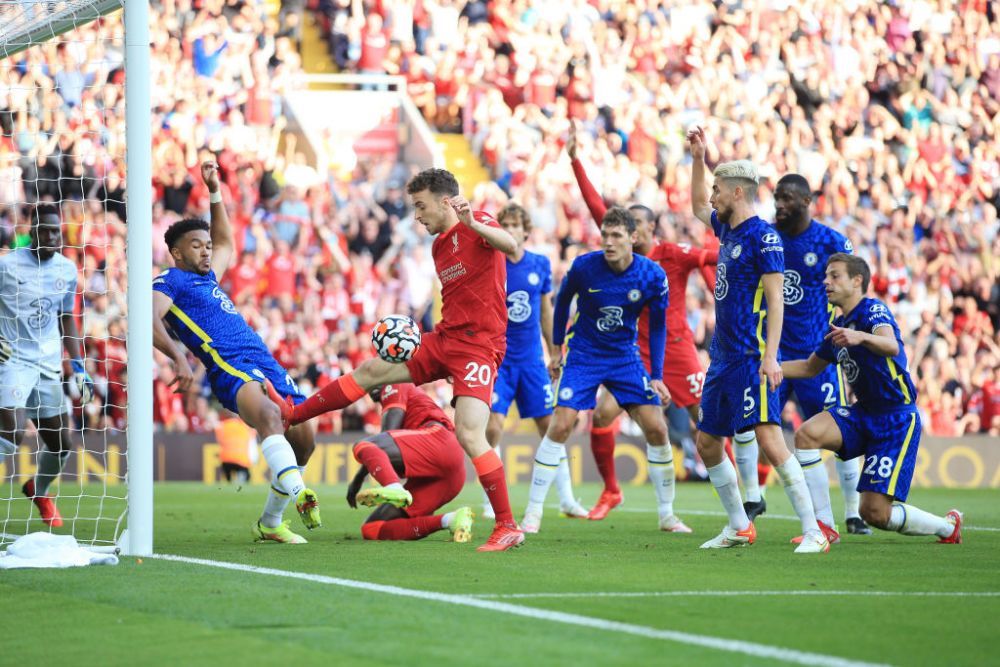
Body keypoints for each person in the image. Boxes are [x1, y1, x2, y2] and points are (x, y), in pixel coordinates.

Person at [271, 168, 524, 552]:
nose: (417, 216)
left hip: (478, 347)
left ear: (445, 202)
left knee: (471, 433)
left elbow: (511, 246)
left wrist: (474, 223)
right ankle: (294, 414)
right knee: (372, 370)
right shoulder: (439, 247)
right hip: (445, 339)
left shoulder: (479, 222)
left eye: (421, 206)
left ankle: (507, 525)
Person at [153, 161, 320, 545]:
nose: (206, 251)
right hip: (228, 365)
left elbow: (226, 241)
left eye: (206, 245)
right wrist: (178, 358)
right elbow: (148, 317)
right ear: (176, 252)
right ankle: (301, 495)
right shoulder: (171, 280)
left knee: (305, 438)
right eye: (196, 245)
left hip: (264, 359)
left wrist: (215, 190)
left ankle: (270, 522)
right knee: (269, 416)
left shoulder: (209, 276)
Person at [687, 127, 827, 553]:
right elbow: (696, 205)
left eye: (717, 189)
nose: (712, 196)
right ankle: (739, 526)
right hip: (723, 357)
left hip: (751, 356)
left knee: (769, 438)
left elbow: (776, 302)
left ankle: (815, 531)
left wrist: (771, 357)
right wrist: (698, 159)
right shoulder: (728, 230)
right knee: (707, 443)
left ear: (737, 192)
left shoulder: (764, 238)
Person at [567, 127, 717, 521]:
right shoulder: (617, 253)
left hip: (678, 350)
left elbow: (714, 259)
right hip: (634, 353)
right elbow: (594, 203)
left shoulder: (674, 253)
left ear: (648, 229)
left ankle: (741, 494)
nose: (627, 232)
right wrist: (576, 160)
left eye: (635, 225)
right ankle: (611, 491)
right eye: (623, 226)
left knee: (707, 421)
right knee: (602, 415)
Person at [521, 206, 690, 535]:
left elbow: (658, 326)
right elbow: (561, 304)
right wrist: (556, 349)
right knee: (561, 424)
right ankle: (532, 513)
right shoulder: (584, 267)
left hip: (625, 356)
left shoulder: (652, 275)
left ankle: (667, 515)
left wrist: (656, 375)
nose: (608, 242)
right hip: (584, 355)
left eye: (616, 235)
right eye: (605, 235)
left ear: (634, 237)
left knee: (657, 428)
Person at [783, 254, 962, 544]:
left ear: (857, 281)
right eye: (826, 275)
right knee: (806, 435)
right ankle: (824, 527)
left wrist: (861, 337)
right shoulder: (838, 326)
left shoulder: (872, 310)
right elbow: (807, 367)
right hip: (863, 412)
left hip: (896, 417)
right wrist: (764, 367)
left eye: (834, 275)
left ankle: (946, 527)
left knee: (874, 513)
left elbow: (891, 345)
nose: (826, 281)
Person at [735, 173, 870, 539]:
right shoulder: (765, 237)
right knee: (752, 424)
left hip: (818, 356)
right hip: (773, 353)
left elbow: (853, 292)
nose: (779, 204)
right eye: (777, 197)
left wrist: (854, 336)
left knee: (839, 433)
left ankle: (852, 513)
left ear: (807, 202)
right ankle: (754, 497)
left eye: (787, 198)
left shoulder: (831, 242)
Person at [482, 203, 587, 521]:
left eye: (516, 225)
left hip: (530, 361)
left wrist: (554, 350)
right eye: (505, 225)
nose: (510, 230)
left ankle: (566, 499)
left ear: (526, 231)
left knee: (550, 427)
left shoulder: (539, 264)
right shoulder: (492, 263)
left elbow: (545, 311)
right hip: (499, 360)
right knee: (492, 425)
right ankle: (490, 501)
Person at [0, 204, 94, 527]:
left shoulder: (66, 270)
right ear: (33, 231)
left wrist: (79, 366)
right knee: (12, 431)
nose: (54, 236)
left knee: (61, 445)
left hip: (49, 364)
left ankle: (38, 491)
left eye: (57, 231)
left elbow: (67, 317)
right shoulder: (7, 266)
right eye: (47, 230)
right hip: (12, 360)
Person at [346, 382, 474, 542]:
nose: (368, 388)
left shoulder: (394, 384)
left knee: (363, 445)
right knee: (372, 529)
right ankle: (450, 520)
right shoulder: (400, 391)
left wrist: (358, 480)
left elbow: (383, 439)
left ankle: (393, 487)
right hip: (449, 476)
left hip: (438, 441)